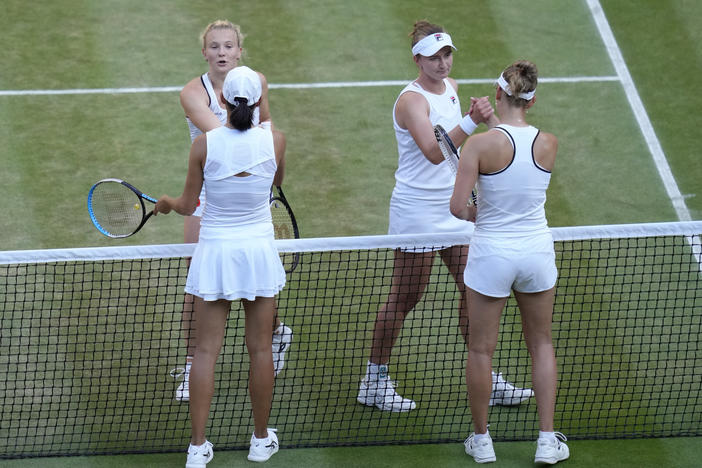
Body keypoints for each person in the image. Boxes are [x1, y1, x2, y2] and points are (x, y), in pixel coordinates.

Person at [357, 20, 533, 413]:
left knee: (475, 289)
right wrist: (471, 121)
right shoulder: (411, 101)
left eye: (447, 55)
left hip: (453, 210)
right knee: (405, 298)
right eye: (434, 57)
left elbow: (454, 155)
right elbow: (433, 151)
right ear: (417, 59)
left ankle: (485, 375)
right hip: (417, 212)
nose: (442, 63)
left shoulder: (451, 90)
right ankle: (374, 379)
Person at [154, 66, 284, 465]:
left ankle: (197, 448)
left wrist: (166, 203)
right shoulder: (275, 141)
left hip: (216, 254)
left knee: (206, 352)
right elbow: (275, 183)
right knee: (261, 350)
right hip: (258, 253)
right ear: (259, 101)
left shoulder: (204, 146)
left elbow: (189, 205)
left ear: (223, 101)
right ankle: (260, 440)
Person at [451, 60, 569, 464]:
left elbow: (457, 207)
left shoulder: (479, 145)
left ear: (498, 93)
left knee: (482, 351)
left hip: (493, 255)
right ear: (531, 100)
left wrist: (473, 209)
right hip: (536, 253)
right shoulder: (549, 143)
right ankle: (547, 441)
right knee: (541, 344)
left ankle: (482, 441)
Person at [174, 19, 292, 402]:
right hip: (211, 189)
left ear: (240, 50)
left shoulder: (256, 80)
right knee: (197, 281)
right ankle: (193, 365)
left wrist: (259, 180)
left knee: (256, 283)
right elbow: (223, 139)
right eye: (214, 46)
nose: (222, 52)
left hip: (246, 191)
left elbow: (266, 121)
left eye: (229, 46)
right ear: (204, 52)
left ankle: (276, 333)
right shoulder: (193, 93)